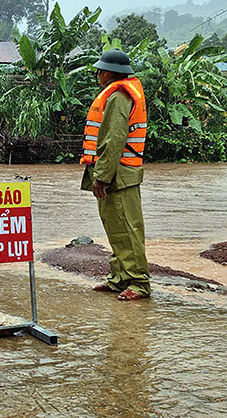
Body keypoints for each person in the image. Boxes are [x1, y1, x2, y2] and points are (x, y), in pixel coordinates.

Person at [80, 49, 150, 301]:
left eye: (100, 70)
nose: (98, 74)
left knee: (127, 229)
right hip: (118, 173)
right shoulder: (120, 92)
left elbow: (113, 139)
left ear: (109, 72)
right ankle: (119, 278)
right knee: (116, 228)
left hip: (119, 175)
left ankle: (139, 283)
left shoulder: (119, 96)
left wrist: (102, 177)